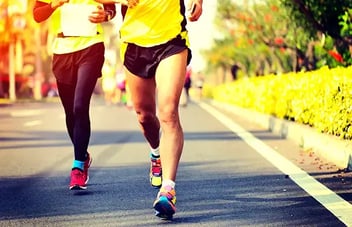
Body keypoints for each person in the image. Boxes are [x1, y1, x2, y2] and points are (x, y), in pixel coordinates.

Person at [95, 0, 203, 219]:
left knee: (168, 113)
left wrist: (198, 2)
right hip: (134, 45)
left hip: (171, 41)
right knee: (144, 115)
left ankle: (168, 189)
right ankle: (156, 152)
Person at [33, 0, 116, 190]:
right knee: (70, 111)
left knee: (80, 106)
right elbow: (37, 15)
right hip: (62, 50)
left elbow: (111, 7)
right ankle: (84, 155)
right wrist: (55, 4)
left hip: (91, 46)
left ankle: (78, 167)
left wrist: (106, 15)